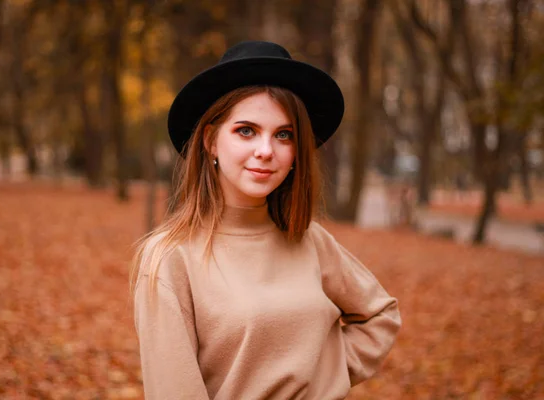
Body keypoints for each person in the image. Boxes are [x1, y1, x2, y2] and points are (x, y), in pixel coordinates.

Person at [131, 41, 401, 400]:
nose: (265, 151)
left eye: (283, 135)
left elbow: (380, 316)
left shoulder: (309, 240)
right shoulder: (169, 258)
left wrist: (327, 376)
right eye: (246, 130)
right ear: (211, 140)